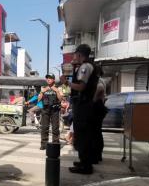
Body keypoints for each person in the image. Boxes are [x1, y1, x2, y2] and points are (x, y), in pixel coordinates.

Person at [68, 44, 99, 174]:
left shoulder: (85, 67)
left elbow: (81, 87)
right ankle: (84, 161)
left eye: (75, 54)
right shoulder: (85, 66)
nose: (74, 56)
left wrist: (67, 83)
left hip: (83, 106)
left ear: (80, 54)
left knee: (82, 136)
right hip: (84, 106)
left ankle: (85, 166)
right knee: (82, 135)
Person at [37, 73, 64, 150]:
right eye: (47, 78)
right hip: (45, 109)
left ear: (53, 80)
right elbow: (39, 100)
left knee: (55, 128)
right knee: (44, 127)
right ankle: (44, 144)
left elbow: (61, 99)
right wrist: (42, 92)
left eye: (50, 78)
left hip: (55, 110)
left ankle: (55, 143)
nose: (48, 79)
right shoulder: (43, 88)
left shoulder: (58, 88)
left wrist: (57, 91)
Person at [92, 68, 108, 163]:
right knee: (96, 133)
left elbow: (100, 88)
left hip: (97, 108)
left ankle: (97, 156)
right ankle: (97, 155)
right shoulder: (99, 80)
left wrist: (92, 100)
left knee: (95, 133)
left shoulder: (99, 80)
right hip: (98, 107)